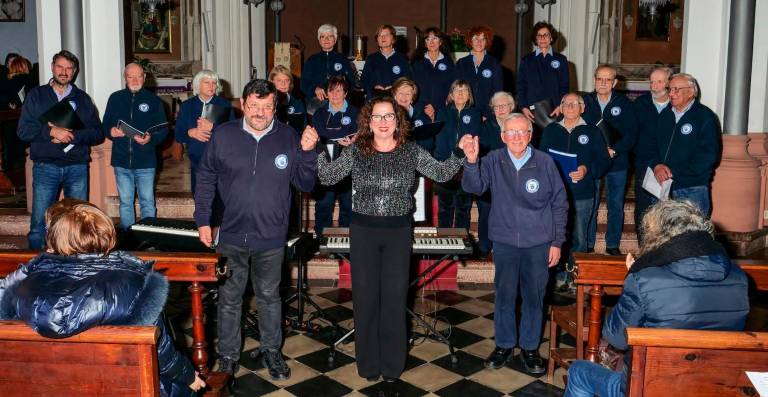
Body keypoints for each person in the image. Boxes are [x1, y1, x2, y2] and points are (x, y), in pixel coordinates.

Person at [316, 96, 467, 382]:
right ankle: (369, 365)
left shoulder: (411, 151)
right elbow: (327, 177)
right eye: (377, 117)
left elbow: (442, 172)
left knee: (395, 300)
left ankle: (392, 366)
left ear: (398, 122)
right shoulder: (357, 151)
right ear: (368, 122)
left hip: (398, 232)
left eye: (389, 116)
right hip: (363, 232)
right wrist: (316, 150)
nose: (383, 122)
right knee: (365, 299)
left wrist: (460, 152)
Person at [0, 199, 206, 397]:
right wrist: (189, 377)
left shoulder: (20, 287)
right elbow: (160, 351)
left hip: (42, 387)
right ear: (107, 235)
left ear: (53, 240)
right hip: (128, 387)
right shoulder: (137, 285)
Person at [194, 79, 318, 380]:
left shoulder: (288, 136)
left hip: (271, 236)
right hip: (231, 234)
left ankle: (272, 352)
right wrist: (202, 219)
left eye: (266, 107)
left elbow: (306, 183)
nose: (259, 113)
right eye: (253, 106)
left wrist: (307, 151)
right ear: (242, 104)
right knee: (229, 299)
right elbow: (206, 177)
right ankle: (227, 358)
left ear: (275, 106)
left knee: (269, 298)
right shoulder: (223, 135)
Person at [564, 199, 749, 397]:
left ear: (658, 237)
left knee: (579, 371)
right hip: (712, 385)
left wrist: (633, 275)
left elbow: (616, 337)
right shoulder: (738, 277)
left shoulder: (645, 278)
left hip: (650, 387)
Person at [462, 113, 568, 374]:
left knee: (534, 296)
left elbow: (560, 204)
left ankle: (530, 348)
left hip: (538, 242)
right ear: (503, 136)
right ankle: (504, 345)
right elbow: (473, 187)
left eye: (523, 132)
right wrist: (472, 161)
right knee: (505, 295)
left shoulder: (545, 163)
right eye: (512, 132)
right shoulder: (493, 160)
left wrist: (556, 241)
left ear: (531, 135)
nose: (517, 137)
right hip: (505, 241)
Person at [16, 50, 104, 250]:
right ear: (52, 68)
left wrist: (73, 135)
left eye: (69, 68)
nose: (64, 72)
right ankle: (35, 267)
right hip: (46, 166)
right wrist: (51, 131)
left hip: (77, 167)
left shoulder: (82, 98)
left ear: (74, 72)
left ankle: (73, 263)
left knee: (77, 222)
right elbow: (23, 131)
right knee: (39, 225)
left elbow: (98, 133)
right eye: (60, 67)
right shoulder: (36, 95)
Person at [540, 93, 609, 256]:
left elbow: (604, 161)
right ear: (561, 108)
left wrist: (587, 170)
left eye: (575, 103)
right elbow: (541, 159)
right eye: (566, 103)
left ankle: (576, 278)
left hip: (582, 193)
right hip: (554, 193)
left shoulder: (593, 131)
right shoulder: (551, 130)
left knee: (579, 239)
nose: (570, 106)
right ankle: (557, 275)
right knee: (554, 236)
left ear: (582, 108)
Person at [102, 63, 169, 230]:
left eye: (139, 76)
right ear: (125, 78)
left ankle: (149, 237)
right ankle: (128, 236)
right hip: (121, 160)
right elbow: (105, 124)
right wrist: (110, 131)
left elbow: (164, 130)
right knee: (125, 203)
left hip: (146, 161)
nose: (135, 80)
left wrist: (151, 139)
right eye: (130, 76)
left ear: (145, 78)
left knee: (147, 202)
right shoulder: (115, 98)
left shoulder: (154, 101)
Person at [644, 73, 719, 216]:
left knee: (691, 236)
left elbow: (707, 157)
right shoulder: (664, 115)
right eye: (670, 89)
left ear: (691, 92)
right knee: (661, 235)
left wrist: (672, 173)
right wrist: (657, 166)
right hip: (660, 186)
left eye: (676, 89)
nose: (671, 93)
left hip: (691, 189)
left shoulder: (705, 117)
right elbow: (650, 145)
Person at [582, 65, 637, 255]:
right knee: (592, 202)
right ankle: (588, 243)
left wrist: (615, 150)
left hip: (617, 161)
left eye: (607, 80)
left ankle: (612, 244)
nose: (603, 83)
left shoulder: (625, 103)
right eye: (599, 79)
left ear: (614, 82)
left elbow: (631, 134)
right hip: (594, 161)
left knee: (615, 203)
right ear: (594, 80)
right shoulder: (585, 102)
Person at [174, 69, 234, 193]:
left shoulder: (225, 104)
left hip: (220, 162)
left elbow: (233, 133)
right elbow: (178, 135)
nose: (212, 86)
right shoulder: (187, 106)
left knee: (219, 203)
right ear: (197, 85)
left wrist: (213, 127)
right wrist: (190, 133)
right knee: (200, 201)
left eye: (214, 83)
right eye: (207, 82)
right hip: (197, 162)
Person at [311, 75, 356, 237]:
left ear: (345, 93)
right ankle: (321, 241)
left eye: (339, 91)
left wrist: (351, 139)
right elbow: (319, 133)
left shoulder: (355, 112)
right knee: (324, 204)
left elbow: (357, 133)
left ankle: (346, 244)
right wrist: (339, 138)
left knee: (348, 204)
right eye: (331, 90)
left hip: (348, 167)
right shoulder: (319, 113)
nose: (334, 94)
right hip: (325, 165)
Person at [434, 79, 481, 229]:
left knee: (463, 209)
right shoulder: (442, 112)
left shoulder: (475, 114)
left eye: (464, 90)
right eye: (457, 90)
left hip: (466, 168)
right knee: (445, 209)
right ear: (451, 95)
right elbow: (439, 139)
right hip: (445, 165)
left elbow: (475, 140)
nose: (460, 93)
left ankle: (462, 249)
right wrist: (442, 163)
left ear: (469, 95)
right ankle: (444, 246)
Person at [632, 66, 672, 233]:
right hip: (645, 165)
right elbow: (635, 137)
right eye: (652, 82)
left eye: (659, 82)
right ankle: (644, 249)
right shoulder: (640, 104)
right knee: (644, 211)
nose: (654, 86)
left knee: (668, 213)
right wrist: (653, 163)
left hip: (670, 167)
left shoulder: (677, 105)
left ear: (669, 83)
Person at [476, 91, 515, 255]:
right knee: (486, 211)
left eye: (504, 106)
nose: (500, 109)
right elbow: (481, 153)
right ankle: (484, 245)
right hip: (490, 177)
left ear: (511, 107)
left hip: (514, 178)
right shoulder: (484, 127)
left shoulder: (519, 124)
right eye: (496, 106)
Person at [517, 21, 569, 122]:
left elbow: (564, 86)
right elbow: (521, 86)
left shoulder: (561, 60)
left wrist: (560, 106)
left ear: (551, 38)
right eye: (539, 35)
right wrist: (523, 107)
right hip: (531, 112)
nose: (542, 38)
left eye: (546, 35)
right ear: (535, 39)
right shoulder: (526, 60)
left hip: (555, 110)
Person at [455, 26, 503, 119]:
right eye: (476, 38)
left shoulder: (494, 63)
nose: (479, 42)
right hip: (465, 113)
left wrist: (487, 114)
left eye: (483, 39)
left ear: (487, 42)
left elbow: (498, 92)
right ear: (470, 41)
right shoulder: (461, 63)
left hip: (488, 115)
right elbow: (456, 90)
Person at [300, 24, 357, 102]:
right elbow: (303, 83)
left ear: (335, 40)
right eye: (323, 37)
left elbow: (351, 82)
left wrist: (341, 95)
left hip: (339, 101)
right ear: (319, 40)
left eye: (330, 36)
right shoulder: (312, 60)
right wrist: (314, 89)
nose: (326, 40)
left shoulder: (343, 59)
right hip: (316, 102)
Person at [411, 27, 456, 121]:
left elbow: (451, 89)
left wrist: (435, 106)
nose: (431, 42)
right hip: (420, 110)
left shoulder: (449, 63)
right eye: (428, 39)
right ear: (425, 43)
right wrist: (424, 107)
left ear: (440, 42)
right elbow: (412, 87)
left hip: (442, 109)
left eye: (434, 38)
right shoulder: (417, 63)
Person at [360, 24, 413, 99]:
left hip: (395, 100)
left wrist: (395, 87)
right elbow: (363, 81)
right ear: (377, 40)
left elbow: (408, 81)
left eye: (386, 35)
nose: (383, 37)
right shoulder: (371, 59)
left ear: (393, 39)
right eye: (380, 35)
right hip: (374, 99)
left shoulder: (402, 59)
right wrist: (374, 87)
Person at [392, 77, 434, 150]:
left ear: (412, 98)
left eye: (408, 94)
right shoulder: (387, 115)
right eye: (401, 93)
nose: (404, 97)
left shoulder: (422, 116)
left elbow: (429, 144)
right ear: (395, 96)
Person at [269, 65, 307, 132]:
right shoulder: (266, 104)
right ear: (272, 82)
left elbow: (303, 130)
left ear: (290, 83)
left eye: (286, 80)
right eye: (279, 80)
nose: (283, 84)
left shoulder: (298, 104)